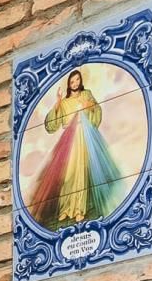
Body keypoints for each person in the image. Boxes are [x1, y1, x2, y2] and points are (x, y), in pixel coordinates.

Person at [24, 68, 131, 229]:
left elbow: (96, 114)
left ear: (81, 81)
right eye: (72, 81)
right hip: (69, 139)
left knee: (81, 173)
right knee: (67, 174)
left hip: (83, 136)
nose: (75, 83)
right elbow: (51, 125)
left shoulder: (86, 94)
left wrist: (91, 106)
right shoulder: (65, 102)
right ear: (68, 84)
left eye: (77, 80)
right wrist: (58, 103)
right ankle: (66, 209)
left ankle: (79, 210)